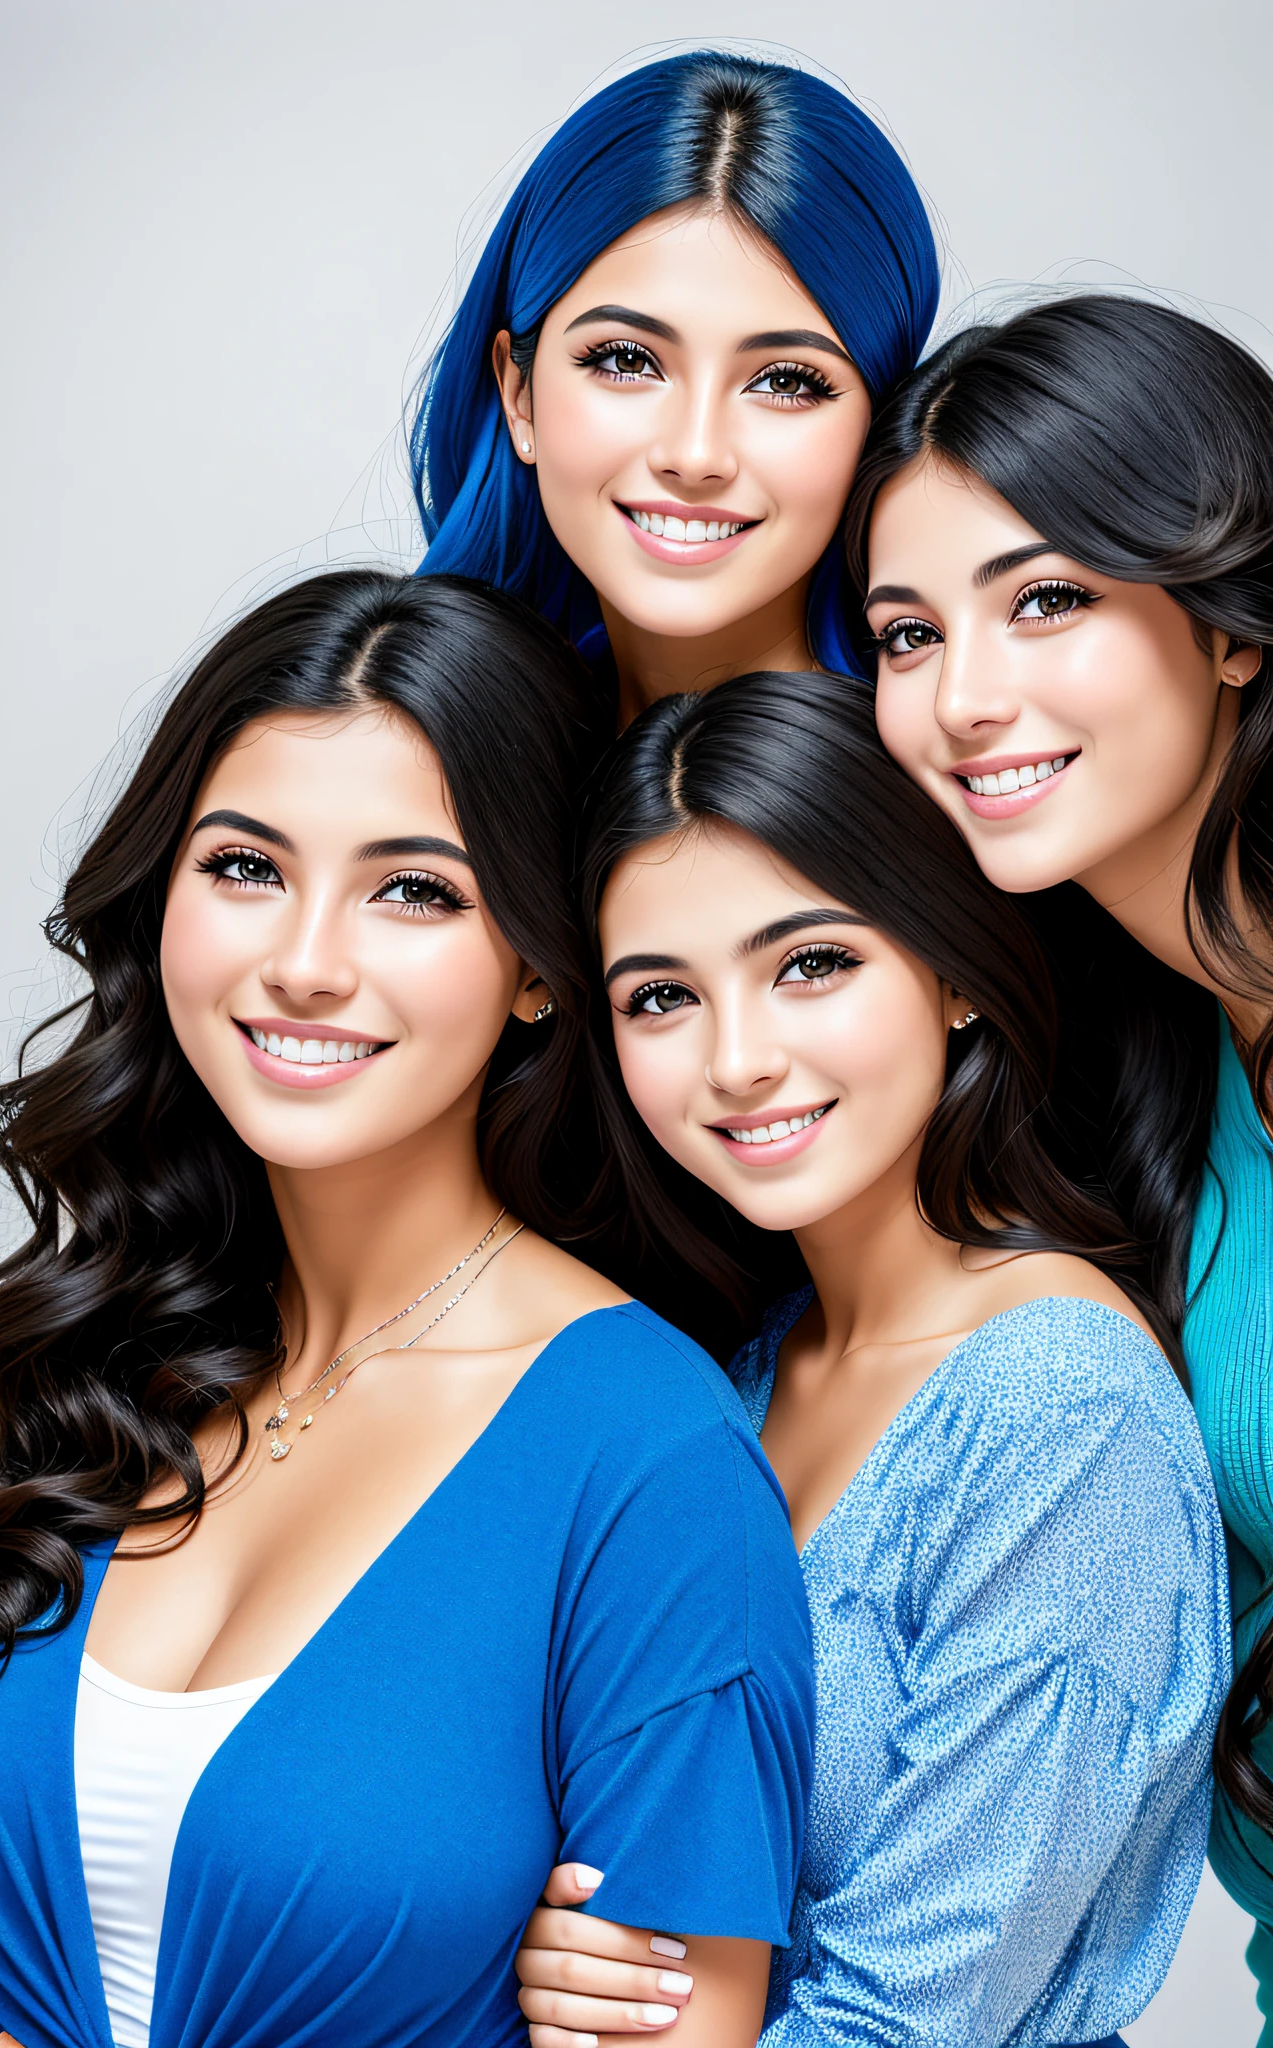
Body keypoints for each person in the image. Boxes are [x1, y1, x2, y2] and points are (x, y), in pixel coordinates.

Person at [0, 572, 814, 2048]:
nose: (304, 961)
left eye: (415, 889)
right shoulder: (125, 1357)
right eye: (244, 867)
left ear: (540, 963)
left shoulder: (647, 1460)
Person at [511, 671, 1228, 2048]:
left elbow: (904, 2023)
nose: (737, 1060)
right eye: (660, 996)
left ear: (954, 969)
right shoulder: (740, 1375)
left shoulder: (1057, 1409)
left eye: (811, 964)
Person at [845, 294, 1273, 2039]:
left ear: (1230, 624)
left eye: (1046, 600)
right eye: (902, 631)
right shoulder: (1155, 1072)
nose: (964, 697)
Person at [410, 48, 939, 718]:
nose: (694, 457)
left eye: (786, 380)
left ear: (882, 419)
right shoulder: (428, 763)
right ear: (520, 398)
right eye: (628, 361)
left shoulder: (956, 798)